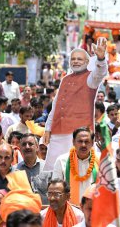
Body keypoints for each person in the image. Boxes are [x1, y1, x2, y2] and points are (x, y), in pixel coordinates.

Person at [43, 38, 108, 171]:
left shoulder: (90, 78)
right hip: (57, 131)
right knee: (52, 171)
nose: (76, 62)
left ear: (87, 62)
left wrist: (101, 59)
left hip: (77, 134)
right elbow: (55, 106)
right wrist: (48, 128)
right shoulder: (65, 79)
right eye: (73, 59)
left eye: (79, 59)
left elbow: (100, 73)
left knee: (76, 170)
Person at [53, 127, 98, 205]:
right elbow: (56, 189)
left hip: (94, 209)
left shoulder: (100, 160)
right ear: (73, 142)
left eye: (87, 141)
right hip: (69, 210)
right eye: (80, 141)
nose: (83, 145)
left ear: (92, 143)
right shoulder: (61, 160)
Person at [16, 133, 52, 204]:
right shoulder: (15, 171)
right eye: (24, 144)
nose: (27, 147)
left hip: (45, 212)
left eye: (30, 144)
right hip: (24, 213)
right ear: (20, 148)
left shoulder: (48, 168)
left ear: (37, 147)